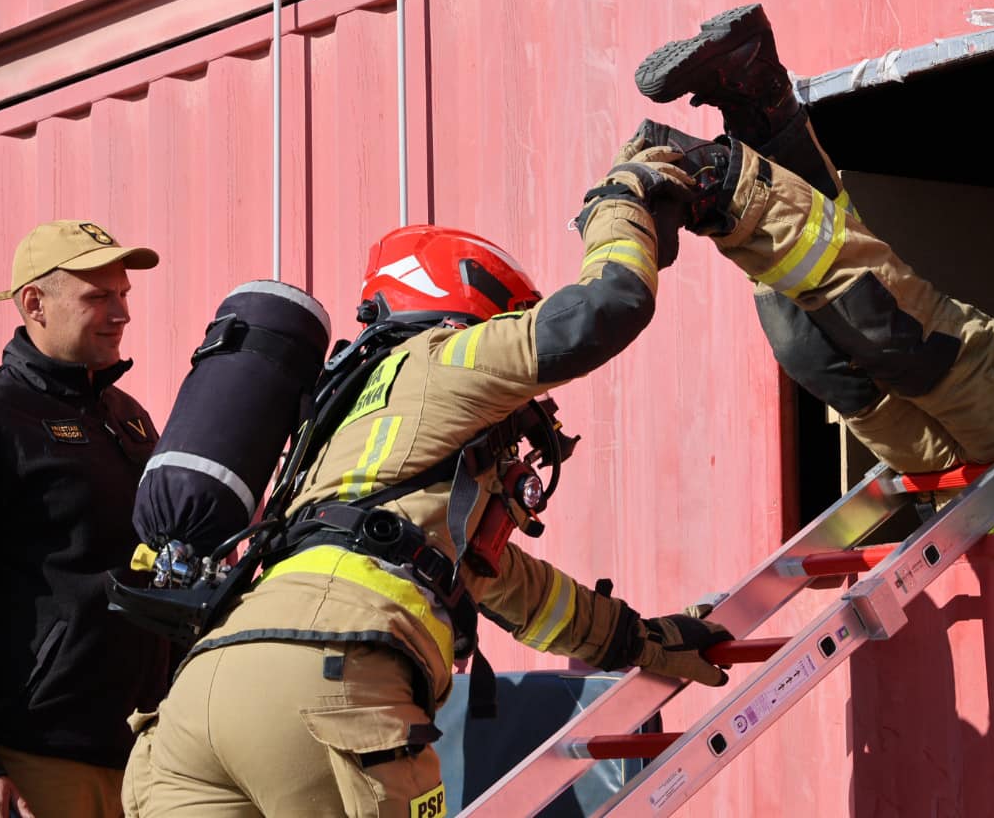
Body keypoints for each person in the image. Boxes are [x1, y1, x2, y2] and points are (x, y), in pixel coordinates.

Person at [123, 158, 731, 817]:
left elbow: (516, 591)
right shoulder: (445, 356)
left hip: (199, 702)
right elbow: (606, 309)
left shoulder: (342, 429)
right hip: (331, 684)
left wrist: (639, 639)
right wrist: (621, 199)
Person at [631, 4, 994, 503]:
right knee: (893, 336)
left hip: (965, 479)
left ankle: (750, 117)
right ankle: (729, 163)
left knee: (805, 350)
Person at [0, 220, 172, 818]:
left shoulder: (128, 418)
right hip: (31, 767)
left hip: (143, 756)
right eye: (99, 296)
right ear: (34, 303)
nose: (121, 313)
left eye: (124, 294)